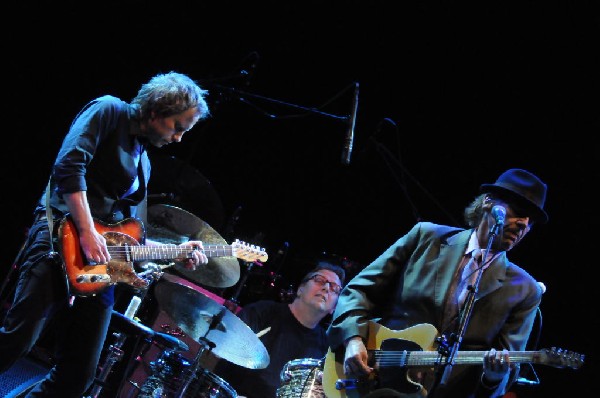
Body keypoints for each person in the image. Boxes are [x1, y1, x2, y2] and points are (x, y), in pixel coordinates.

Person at [0, 71, 212, 397]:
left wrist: (178, 251)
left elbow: (131, 243)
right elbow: (69, 165)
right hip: (60, 237)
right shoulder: (109, 111)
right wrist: (86, 230)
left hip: (98, 265)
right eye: (178, 127)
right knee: (17, 340)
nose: (179, 138)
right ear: (156, 111)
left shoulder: (145, 165)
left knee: (78, 375)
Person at [326, 168, 548, 398]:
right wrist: (353, 340)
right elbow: (358, 290)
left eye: (530, 221)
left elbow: (507, 371)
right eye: (518, 211)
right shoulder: (426, 237)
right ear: (488, 202)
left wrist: (494, 376)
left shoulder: (525, 290)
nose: (523, 224)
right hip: (374, 381)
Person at [214, 261, 346, 398]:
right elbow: (224, 350)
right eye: (319, 280)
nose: (326, 288)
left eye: (334, 288)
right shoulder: (262, 312)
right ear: (300, 289)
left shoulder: (325, 349)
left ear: (333, 309)